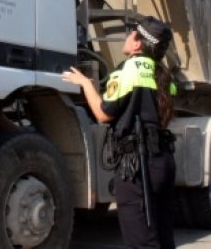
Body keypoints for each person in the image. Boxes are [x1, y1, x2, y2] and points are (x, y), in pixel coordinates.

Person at [62, 16, 177, 249]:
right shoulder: (164, 74)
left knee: (141, 242)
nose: (126, 37)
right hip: (162, 159)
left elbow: (104, 113)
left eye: (131, 34)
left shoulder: (129, 70)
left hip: (137, 164)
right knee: (162, 236)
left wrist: (86, 84)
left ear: (138, 44)